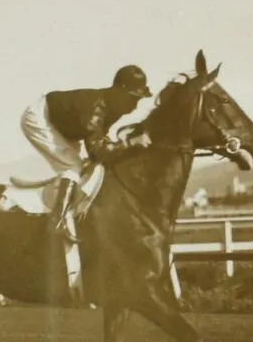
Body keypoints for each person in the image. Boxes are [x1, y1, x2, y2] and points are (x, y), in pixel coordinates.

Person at [19, 65, 156, 237]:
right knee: (73, 166)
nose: (135, 106)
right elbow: (97, 151)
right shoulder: (95, 107)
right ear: (120, 92)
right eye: (133, 99)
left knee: (83, 168)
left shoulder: (114, 107)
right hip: (40, 118)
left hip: (64, 127)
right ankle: (57, 222)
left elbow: (100, 143)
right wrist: (130, 143)